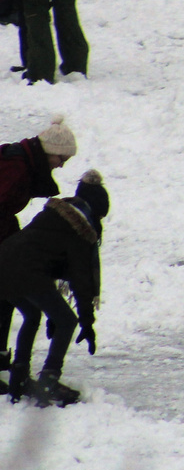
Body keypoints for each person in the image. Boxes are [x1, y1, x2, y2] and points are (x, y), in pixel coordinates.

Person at [0, 170, 107, 407]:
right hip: (24, 273)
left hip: (4, 263)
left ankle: (18, 376)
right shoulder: (79, 233)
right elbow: (81, 280)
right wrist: (87, 321)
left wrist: (52, 309)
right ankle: (49, 380)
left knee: (31, 314)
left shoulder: (53, 215)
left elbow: (44, 260)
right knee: (68, 321)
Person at [0, 117, 74, 390]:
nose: (62, 164)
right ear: (48, 151)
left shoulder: (25, 164)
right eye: (61, 157)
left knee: (7, 297)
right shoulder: (17, 167)